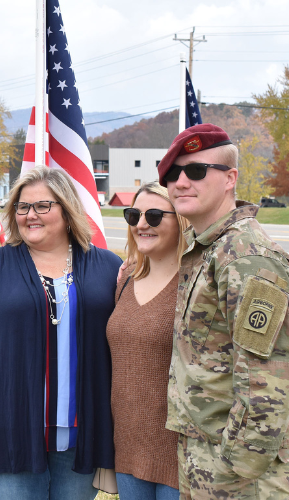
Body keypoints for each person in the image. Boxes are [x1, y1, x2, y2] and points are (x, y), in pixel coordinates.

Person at [0, 166, 122, 500]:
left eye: (42, 206)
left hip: (83, 436)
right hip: (9, 431)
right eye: (22, 207)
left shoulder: (108, 268)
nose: (30, 215)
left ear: (67, 211)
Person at [157, 123, 289, 499]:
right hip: (204, 456)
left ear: (230, 179)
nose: (181, 183)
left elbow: (266, 386)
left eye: (196, 171)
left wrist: (233, 471)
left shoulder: (248, 259)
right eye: (173, 174)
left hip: (240, 474)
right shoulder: (210, 249)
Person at [106, 181, 188, 500]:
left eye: (154, 215)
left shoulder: (197, 282)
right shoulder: (125, 278)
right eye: (133, 215)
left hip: (179, 453)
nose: (141, 224)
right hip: (128, 446)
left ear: (180, 220)